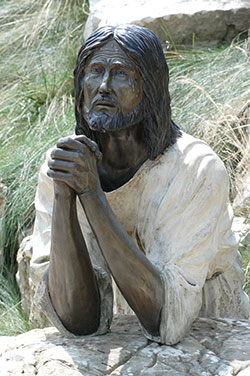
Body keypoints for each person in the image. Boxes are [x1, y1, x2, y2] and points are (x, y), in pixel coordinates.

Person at [31, 24, 249, 345]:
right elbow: (78, 320)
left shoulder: (195, 168)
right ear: (80, 85)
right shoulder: (64, 163)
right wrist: (65, 196)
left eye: (121, 74)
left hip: (207, 326)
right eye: (94, 71)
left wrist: (92, 195)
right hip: (121, 326)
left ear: (151, 88)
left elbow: (165, 318)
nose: (104, 86)